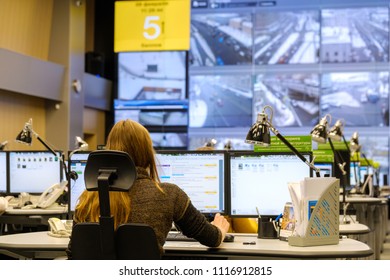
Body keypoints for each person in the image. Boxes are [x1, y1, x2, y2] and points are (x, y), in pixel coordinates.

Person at [66, 119, 230, 258]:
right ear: (147, 153)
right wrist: (220, 229)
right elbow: (211, 238)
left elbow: (73, 253)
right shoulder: (168, 194)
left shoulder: (88, 198)